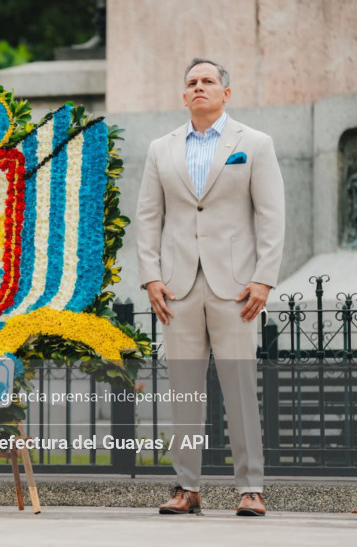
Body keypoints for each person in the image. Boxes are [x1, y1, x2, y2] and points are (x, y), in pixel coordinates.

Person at [136, 58, 285, 517]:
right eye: (192, 82)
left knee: (240, 389)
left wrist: (263, 278)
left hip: (236, 288)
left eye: (208, 81)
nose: (199, 87)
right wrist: (151, 276)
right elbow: (148, 217)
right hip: (177, 288)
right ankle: (187, 488)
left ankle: (251, 489)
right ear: (184, 95)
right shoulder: (161, 149)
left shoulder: (254, 144)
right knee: (184, 392)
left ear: (226, 93)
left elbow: (271, 215)